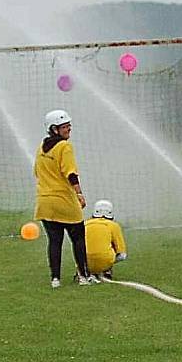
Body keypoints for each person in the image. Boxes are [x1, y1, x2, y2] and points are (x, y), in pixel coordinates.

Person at [33, 109, 95, 288]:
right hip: (64, 201)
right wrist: (79, 194)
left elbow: (36, 172)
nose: (69, 129)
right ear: (54, 129)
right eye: (65, 127)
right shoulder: (64, 147)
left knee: (54, 241)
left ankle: (55, 279)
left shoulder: (40, 148)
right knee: (78, 238)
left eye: (69, 126)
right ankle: (84, 276)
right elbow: (71, 173)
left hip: (44, 203)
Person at [84, 199, 127, 279]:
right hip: (105, 261)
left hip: (84, 261)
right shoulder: (114, 225)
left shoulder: (85, 224)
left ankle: (82, 272)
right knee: (112, 247)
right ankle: (106, 270)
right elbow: (122, 255)